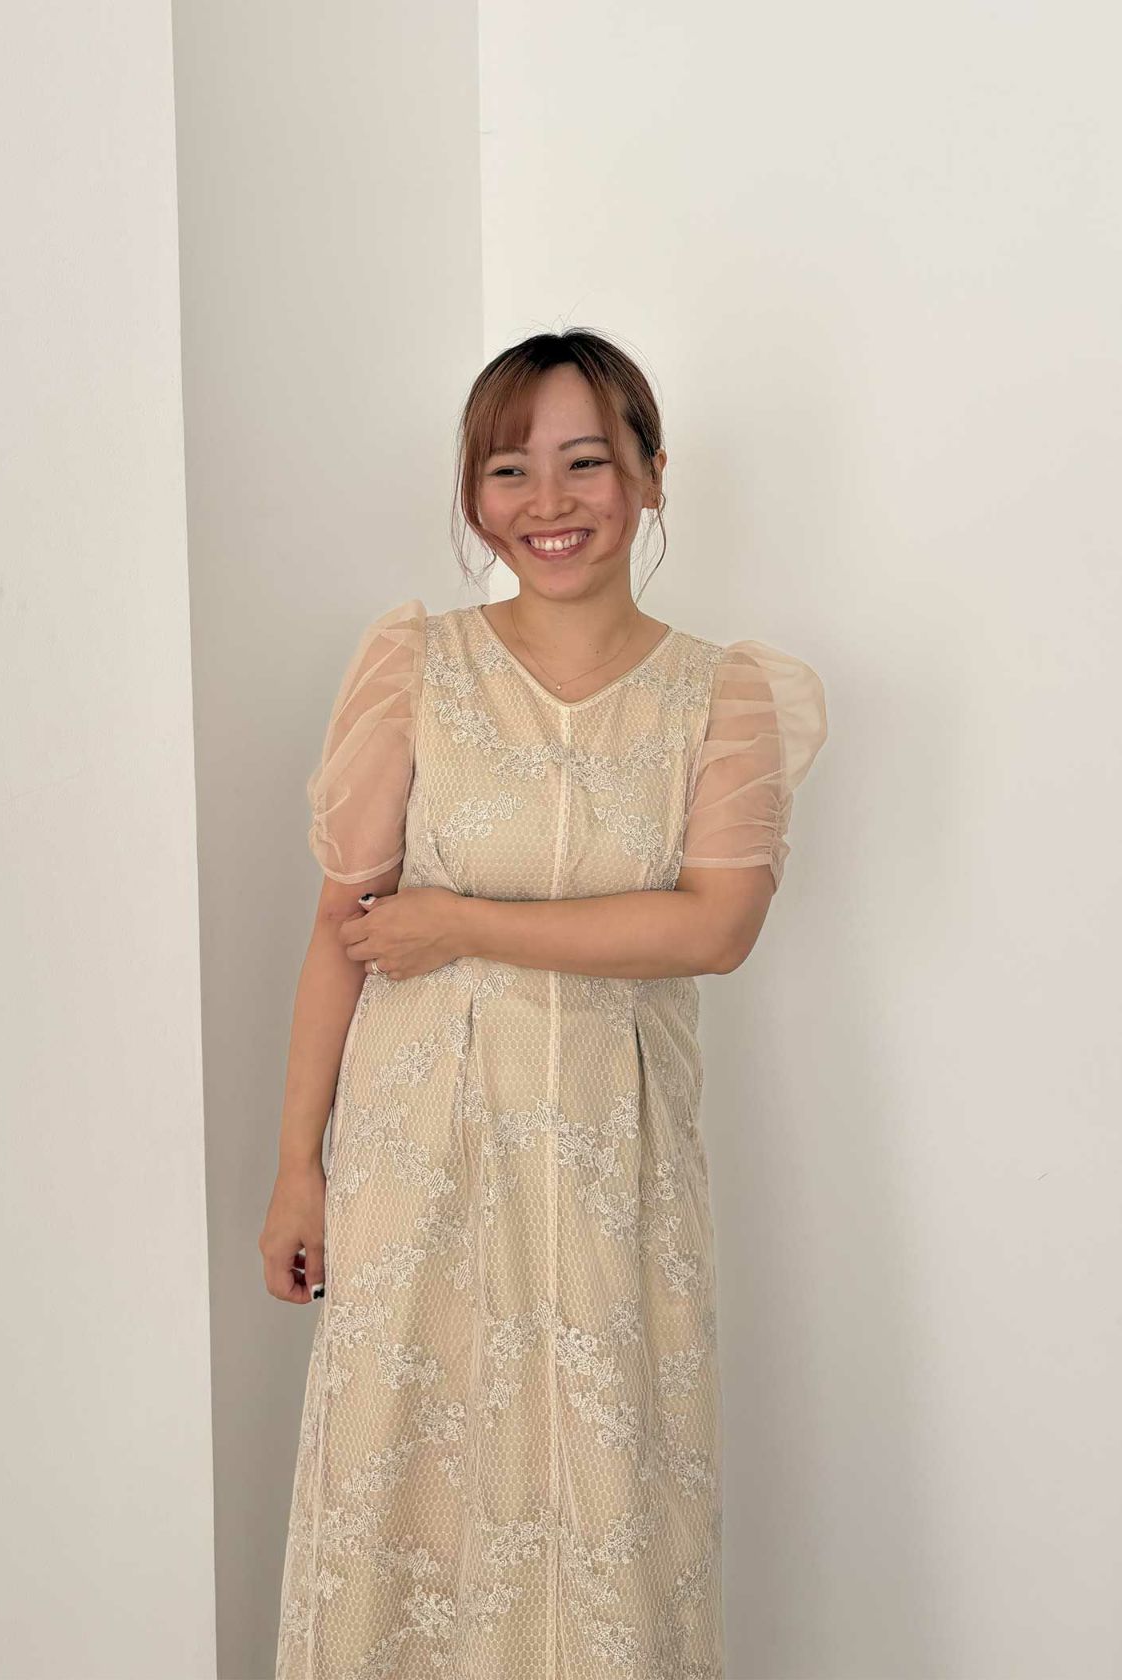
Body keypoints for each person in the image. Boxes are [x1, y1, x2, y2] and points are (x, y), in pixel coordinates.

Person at [262, 328, 828, 1680]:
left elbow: (714, 925)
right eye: (509, 469)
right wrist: (297, 1169)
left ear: (651, 474)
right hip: (417, 1152)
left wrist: (459, 921)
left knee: (608, 1496)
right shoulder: (416, 665)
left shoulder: (724, 694)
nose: (548, 502)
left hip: (612, 1158)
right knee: (406, 1484)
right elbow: (342, 930)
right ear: (473, 494)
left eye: (587, 462)